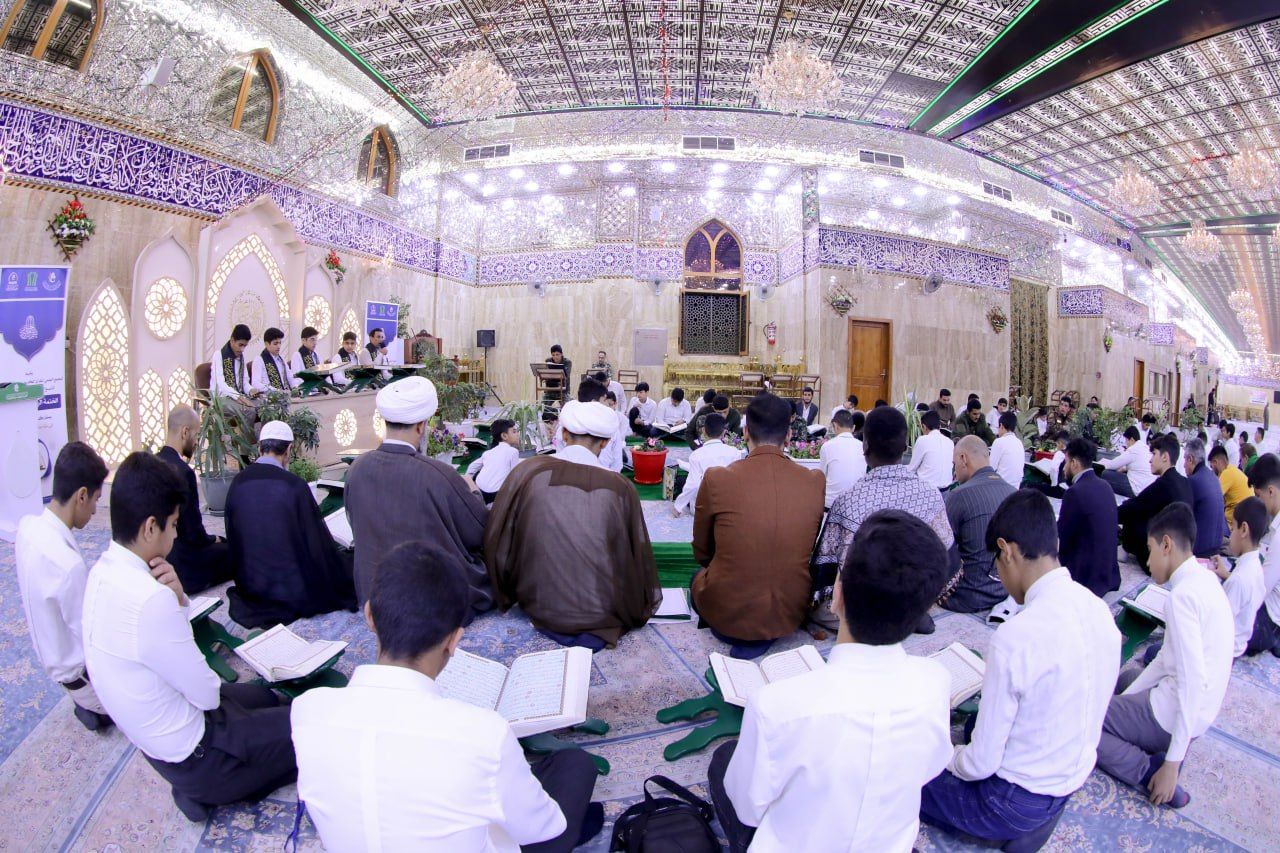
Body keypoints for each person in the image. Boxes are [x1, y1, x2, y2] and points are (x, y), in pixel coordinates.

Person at [292, 541, 602, 852]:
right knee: (575, 765)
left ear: (370, 615)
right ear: (454, 640)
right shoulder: (484, 734)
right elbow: (541, 829)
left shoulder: (308, 710)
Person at [708, 511, 952, 852]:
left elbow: (747, 809)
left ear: (838, 594)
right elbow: (931, 767)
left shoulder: (775, 706)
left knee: (724, 761)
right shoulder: (936, 682)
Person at [82, 452, 297, 821]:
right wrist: (173, 604)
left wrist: (180, 599)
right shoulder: (149, 599)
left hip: (165, 743)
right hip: (203, 756)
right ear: (150, 527)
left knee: (266, 696)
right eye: (173, 524)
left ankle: (206, 784)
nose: (176, 534)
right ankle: (207, 792)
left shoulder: (101, 573)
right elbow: (206, 693)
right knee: (310, 728)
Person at [921, 490, 1120, 846]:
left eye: (996, 565)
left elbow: (979, 765)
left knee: (910, 770)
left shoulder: (1016, 636)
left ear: (1007, 551)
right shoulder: (1099, 610)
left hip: (1011, 803)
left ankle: (1013, 827)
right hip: (1070, 779)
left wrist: (946, 756)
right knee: (975, 725)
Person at [486, 401, 659, 649]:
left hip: (540, 603)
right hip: (600, 609)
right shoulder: (619, 486)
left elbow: (500, 533)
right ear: (605, 443)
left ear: (564, 434)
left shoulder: (530, 471)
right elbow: (630, 553)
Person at [1096, 503, 1233, 810]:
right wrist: (1125, 702)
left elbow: (1192, 681)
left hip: (1176, 713)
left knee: (1086, 720)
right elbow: (1164, 660)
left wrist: (1173, 762)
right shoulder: (1205, 580)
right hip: (1199, 715)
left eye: (1150, 550)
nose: (1147, 561)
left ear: (1167, 545)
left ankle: (1149, 770)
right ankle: (1152, 744)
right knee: (1129, 679)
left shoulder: (1182, 597)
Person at [691, 393, 825, 658]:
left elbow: (702, 553)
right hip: (790, 611)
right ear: (789, 436)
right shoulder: (814, 481)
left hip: (727, 613)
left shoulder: (718, 478)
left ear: (745, 433)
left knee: (696, 577)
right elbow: (807, 547)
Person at [346, 377, 492, 614]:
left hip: (376, 594)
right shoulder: (438, 473)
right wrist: (473, 491)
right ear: (421, 427)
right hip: (433, 598)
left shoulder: (357, 468)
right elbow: (478, 532)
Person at [817, 406, 959, 634]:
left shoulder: (847, 502)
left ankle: (873, 619)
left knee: (820, 608)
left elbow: (826, 570)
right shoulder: (931, 494)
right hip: (913, 595)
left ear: (864, 447)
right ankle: (909, 612)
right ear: (904, 447)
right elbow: (947, 556)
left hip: (866, 601)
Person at [15, 442, 112, 732]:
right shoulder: (68, 567)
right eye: (95, 499)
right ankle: (94, 706)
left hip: (55, 660)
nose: (94, 510)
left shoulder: (26, 528)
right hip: (81, 678)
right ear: (81, 496)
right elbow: (93, 641)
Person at [224, 420, 356, 627]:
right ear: (288, 451)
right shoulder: (293, 486)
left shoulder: (238, 482)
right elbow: (316, 543)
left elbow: (234, 537)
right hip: (290, 591)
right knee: (348, 564)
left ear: (260, 448)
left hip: (250, 585)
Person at [156, 405, 231, 594]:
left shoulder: (151, 465)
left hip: (157, 558)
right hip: (183, 566)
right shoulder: (183, 472)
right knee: (231, 550)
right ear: (185, 432)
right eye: (196, 435)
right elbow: (193, 533)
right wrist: (214, 538)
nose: (197, 442)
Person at [941, 436, 1016, 613]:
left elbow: (940, 547)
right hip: (1004, 589)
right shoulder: (1013, 493)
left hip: (966, 596)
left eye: (954, 464)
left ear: (963, 459)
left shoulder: (959, 495)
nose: (954, 471)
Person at [1057, 438, 1121, 597]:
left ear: (1074, 463)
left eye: (1066, 462)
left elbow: (1062, 537)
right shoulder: (1105, 486)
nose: (1064, 468)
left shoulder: (1075, 492)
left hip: (1085, 579)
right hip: (1107, 575)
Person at [1118, 434, 1193, 569]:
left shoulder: (1164, 484)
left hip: (1161, 562)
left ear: (1164, 457)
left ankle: (1124, 549)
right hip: (1180, 554)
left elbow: (1134, 506)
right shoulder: (1184, 482)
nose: (1150, 460)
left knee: (1132, 512)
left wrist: (1109, 514)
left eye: (1154, 454)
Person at [1209, 497, 1268, 658]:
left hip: (1221, 652)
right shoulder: (1256, 566)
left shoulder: (1239, 580)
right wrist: (1226, 576)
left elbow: (1217, 624)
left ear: (1243, 529)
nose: (1230, 534)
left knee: (1154, 652)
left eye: (1233, 527)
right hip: (1238, 643)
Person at [1245, 454, 1280, 655]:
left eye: (1258, 496)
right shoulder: (1274, 525)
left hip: (1271, 620)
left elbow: (1259, 591)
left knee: (1221, 625)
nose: (1258, 503)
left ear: (1271, 491)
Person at [673, 413, 741, 516]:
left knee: (681, 481)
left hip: (702, 508)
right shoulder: (735, 452)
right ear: (724, 432)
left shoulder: (696, 455)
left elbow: (693, 485)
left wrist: (678, 507)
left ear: (703, 430)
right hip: (727, 507)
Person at [1181, 438, 1226, 557]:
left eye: (1185, 459)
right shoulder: (1213, 477)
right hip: (1216, 546)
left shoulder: (1193, 481)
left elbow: (1181, 516)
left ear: (1190, 459)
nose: (1184, 465)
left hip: (1199, 550)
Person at [210, 323, 261, 422]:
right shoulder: (218, 355)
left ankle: (265, 432)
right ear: (232, 340)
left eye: (245, 346)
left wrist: (251, 390)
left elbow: (244, 382)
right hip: (222, 398)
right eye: (240, 345)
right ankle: (246, 433)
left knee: (265, 405)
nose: (242, 349)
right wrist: (238, 396)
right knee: (248, 410)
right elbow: (220, 384)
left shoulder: (241, 357)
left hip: (238, 395)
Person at [466, 418, 522, 504]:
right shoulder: (513, 451)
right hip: (496, 494)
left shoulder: (488, 453)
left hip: (480, 490)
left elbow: (472, 467)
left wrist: (470, 481)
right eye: (514, 432)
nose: (517, 434)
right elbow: (515, 476)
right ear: (504, 436)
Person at [819, 409, 866, 508]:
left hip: (831, 505)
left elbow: (821, 477)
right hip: (856, 505)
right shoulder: (863, 447)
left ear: (835, 425)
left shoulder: (827, 446)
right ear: (853, 428)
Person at [1098, 426, 1155, 498]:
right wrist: (1124, 468)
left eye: (1126, 440)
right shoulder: (1144, 447)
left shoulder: (1133, 449)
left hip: (1136, 489)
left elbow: (1112, 465)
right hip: (1146, 487)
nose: (1125, 443)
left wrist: (1103, 463)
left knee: (1106, 473)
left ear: (1131, 439)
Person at [907, 410, 954, 491]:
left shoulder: (923, 440)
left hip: (927, 491)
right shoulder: (950, 442)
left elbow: (911, 469)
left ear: (924, 426)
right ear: (939, 426)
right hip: (946, 490)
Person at [1210, 444, 1252, 532]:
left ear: (1215, 462)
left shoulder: (1226, 473)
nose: (1211, 470)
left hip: (1233, 525)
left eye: (1211, 466)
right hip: (1245, 520)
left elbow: (1212, 499)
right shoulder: (1233, 470)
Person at [249, 326, 296, 394]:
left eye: (280, 343)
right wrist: (275, 390)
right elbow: (255, 384)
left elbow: (290, 376)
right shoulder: (259, 360)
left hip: (285, 394)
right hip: (270, 396)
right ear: (266, 344)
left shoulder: (281, 359)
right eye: (275, 343)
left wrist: (295, 388)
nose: (279, 346)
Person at [989, 412, 1024, 488]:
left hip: (1001, 488)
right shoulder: (1019, 443)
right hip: (1016, 488)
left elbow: (990, 468)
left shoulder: (999, 442)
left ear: (1001, 426)